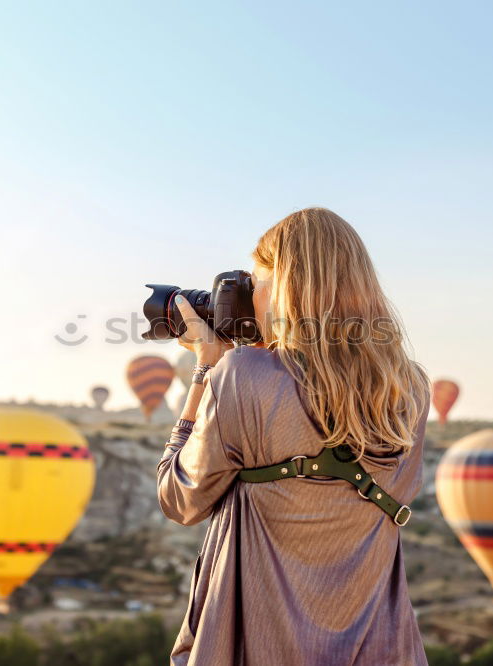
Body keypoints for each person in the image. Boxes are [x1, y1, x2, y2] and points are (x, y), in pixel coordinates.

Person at [158, 207, 432, 665]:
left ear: (285, 290)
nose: (251, 298)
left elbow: (178, 498)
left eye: (257, 283)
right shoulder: (411, 389)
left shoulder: (242, 374)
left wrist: (207, 365)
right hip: (380, 650)